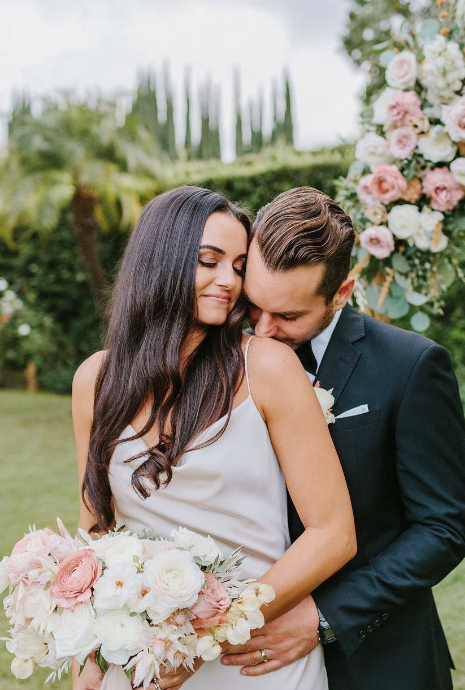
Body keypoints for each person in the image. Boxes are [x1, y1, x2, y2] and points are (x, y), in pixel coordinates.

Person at [72, 185, 356, 690]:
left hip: (249, 659)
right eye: (209, 261)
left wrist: (210, 640)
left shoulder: (267, 366)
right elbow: (96, 525)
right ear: (161, 261)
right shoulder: (94, 380)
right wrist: (86, 649)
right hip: (137, 658)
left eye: (240, 265)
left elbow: (333, 534)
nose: (229, 281)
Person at [220, 186, 465, 690]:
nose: (264, 331)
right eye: (254, 306)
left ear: (342, 291)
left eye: (289, 316)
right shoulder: (220, 360)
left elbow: (442, 530)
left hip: (377, 661)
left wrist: (324, 617)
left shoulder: (410, 367)